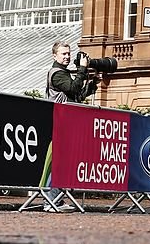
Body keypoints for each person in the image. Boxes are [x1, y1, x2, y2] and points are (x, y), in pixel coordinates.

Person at [44, 42, 98, 212]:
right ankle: (50, 202)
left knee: (65, 162)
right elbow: (73, 87)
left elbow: (76, 95)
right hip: (58, 123)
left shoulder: (64, 73)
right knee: (58, 163)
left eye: (68, 53)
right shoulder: (57, 74)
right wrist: (82, 69)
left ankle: (57, 201)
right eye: (63, 54)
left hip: (67, 123)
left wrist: (91, 85)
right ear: (55, 56)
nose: (67, 57)